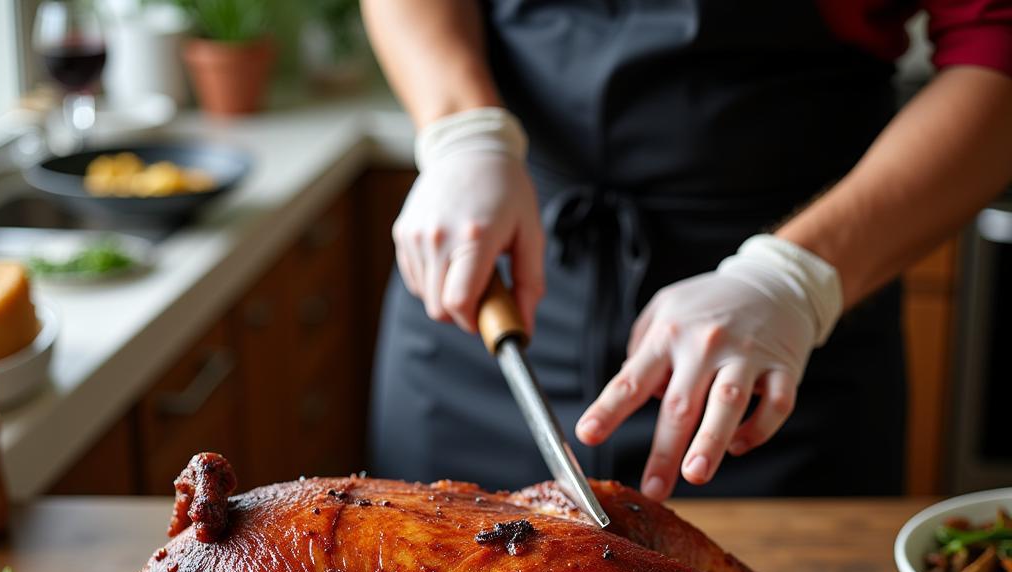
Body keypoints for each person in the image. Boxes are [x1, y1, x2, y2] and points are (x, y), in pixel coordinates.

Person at [363, 1, 1012, 499]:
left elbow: (998, 41)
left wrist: (794, 279)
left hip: (781, 317)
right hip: (490, 261)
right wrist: (462, 132)